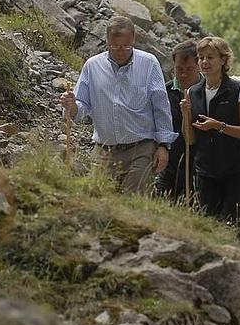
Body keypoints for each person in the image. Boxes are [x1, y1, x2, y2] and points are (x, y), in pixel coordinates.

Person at [60, 16, 176, 193]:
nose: (121, 51)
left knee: (133, 203)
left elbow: (161, 106)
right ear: (107, 41)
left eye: (126, 46)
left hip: (141, 149)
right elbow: (81, 106)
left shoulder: (149, 63)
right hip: (104, 151)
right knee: (99, 202)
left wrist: (163, 145)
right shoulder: (92, 66)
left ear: (134, 40)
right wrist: (71, 105)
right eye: (115, 46)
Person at [182, 36, 240, 223]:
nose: (204, 62)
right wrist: (185, 115)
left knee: (232, 222)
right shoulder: (192, 92)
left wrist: (218, 126)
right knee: (208, 223)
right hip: (204, 170)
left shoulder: (238, 89)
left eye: (210, 57)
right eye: (201, 57)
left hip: (234, 169)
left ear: (223, 60)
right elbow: (190, 139)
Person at [155, 40, 202, 200]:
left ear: (200, 66)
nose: (183, 74)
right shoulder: (164, 92)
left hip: (201, 165)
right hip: (170, 162)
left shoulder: (209, 91)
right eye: (179, 69)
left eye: (189, 69)